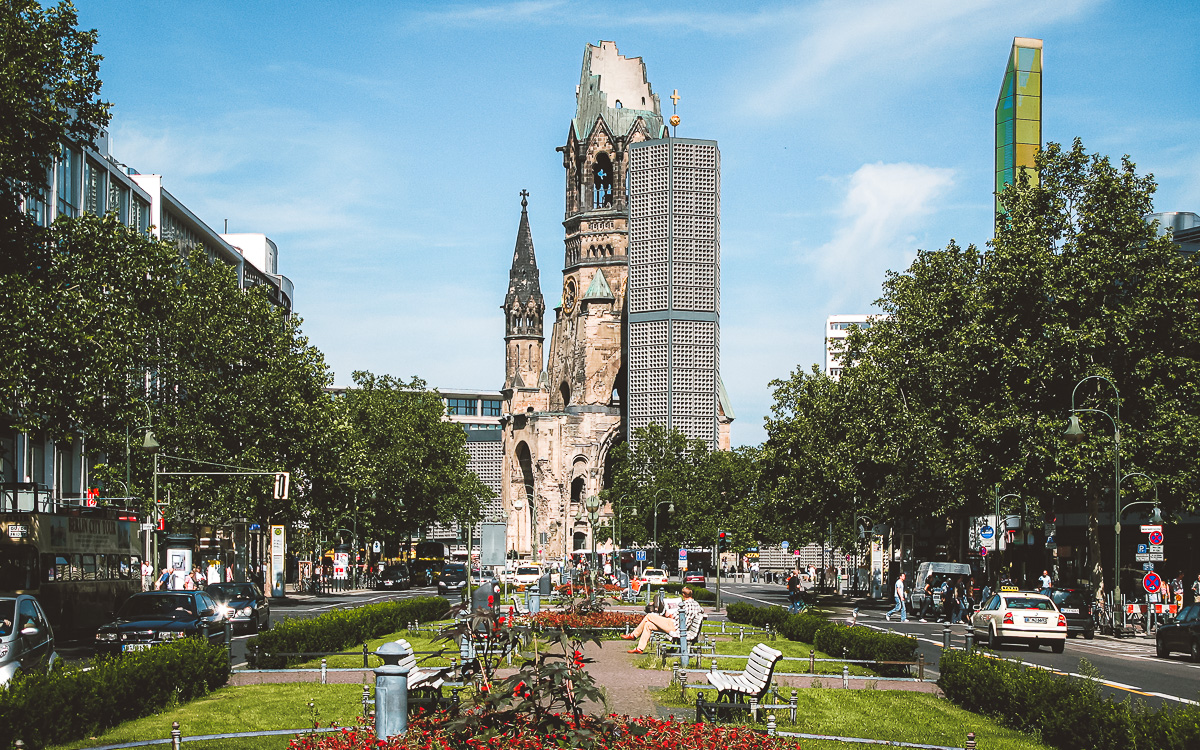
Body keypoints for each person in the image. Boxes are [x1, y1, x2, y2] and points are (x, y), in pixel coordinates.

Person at [622, 586, 704, 653]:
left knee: (649, 616)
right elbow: (700, 612)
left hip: (675, 626)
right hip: (682, 626)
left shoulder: (685, 604)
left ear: (683, 594)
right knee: (648, 625)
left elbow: (673, 616)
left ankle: (633, 635)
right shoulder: (696, 604)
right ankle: (639, 648)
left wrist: (669, 614)